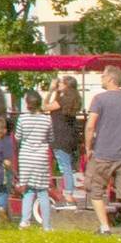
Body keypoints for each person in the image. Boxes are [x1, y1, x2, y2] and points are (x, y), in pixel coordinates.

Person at [86, 64, 121, 239]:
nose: (101, 79)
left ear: (110, 79)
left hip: (103, 152)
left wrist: (88, 147)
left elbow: (90, 125)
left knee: (96, 190)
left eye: (102, 76)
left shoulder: (99, 99)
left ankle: (105, 227)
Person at [14, 90, 55, 229]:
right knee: (42, 191)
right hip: (41, 157)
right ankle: (47, 225)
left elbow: (18, 137)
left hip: (25, 157)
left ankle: (25, 220)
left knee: (28, 190)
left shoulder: (22, 119)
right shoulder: (47, 119)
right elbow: (51, 138)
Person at [45, 75, 84, 208]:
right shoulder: (75, 99)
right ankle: (69, 191)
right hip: (70, 135)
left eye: (61, 83)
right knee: (68, 165)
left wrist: (51, 90)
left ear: (66, 85)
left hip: (59, 135)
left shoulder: (62, 100)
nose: (59, 84)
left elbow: (45, 107)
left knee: (64, 166)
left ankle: (68, 193)